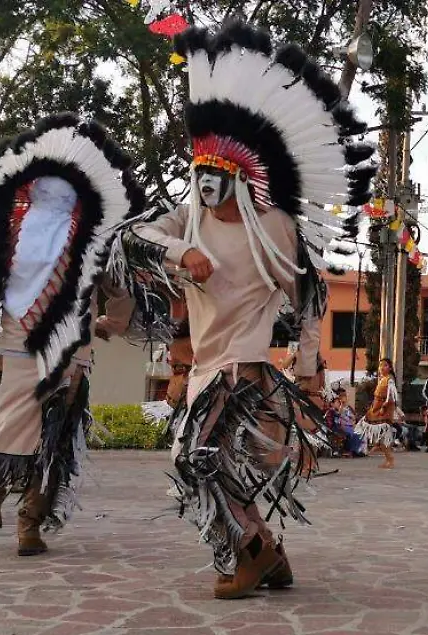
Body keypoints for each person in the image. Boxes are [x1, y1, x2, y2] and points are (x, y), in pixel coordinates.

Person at [121, 21, 375, 598]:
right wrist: (183, 251)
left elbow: (308, 300)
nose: (205, 187)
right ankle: (267, 553)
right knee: (216, 465)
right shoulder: (189, 219)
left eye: (214, 177)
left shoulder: (275, 227)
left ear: (238, 176)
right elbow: (135, 236)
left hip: (243, 369)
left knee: (196, 459)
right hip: (205, 368)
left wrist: (309, 376)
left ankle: (249, 555)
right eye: (199, 176)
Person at [0, 114, 142, 555]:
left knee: (8, 424)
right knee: (51, 432)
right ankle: (25, 522)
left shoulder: (14, 235)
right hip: (65, 350)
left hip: (20, 346)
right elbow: (121, 291)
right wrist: (108, 325)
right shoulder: (92, 238)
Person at [356, 358, 401, 469]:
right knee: (380, 437)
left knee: (383, 437)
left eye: (385, 365)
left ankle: (390, 459)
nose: (382, 367)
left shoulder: (389, 380)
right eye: (380, 365)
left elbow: (391, 397)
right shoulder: (382, 379)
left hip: (383, 411)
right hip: (376, 409)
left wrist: (383, 407)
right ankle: (387, 457)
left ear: (390, 368)